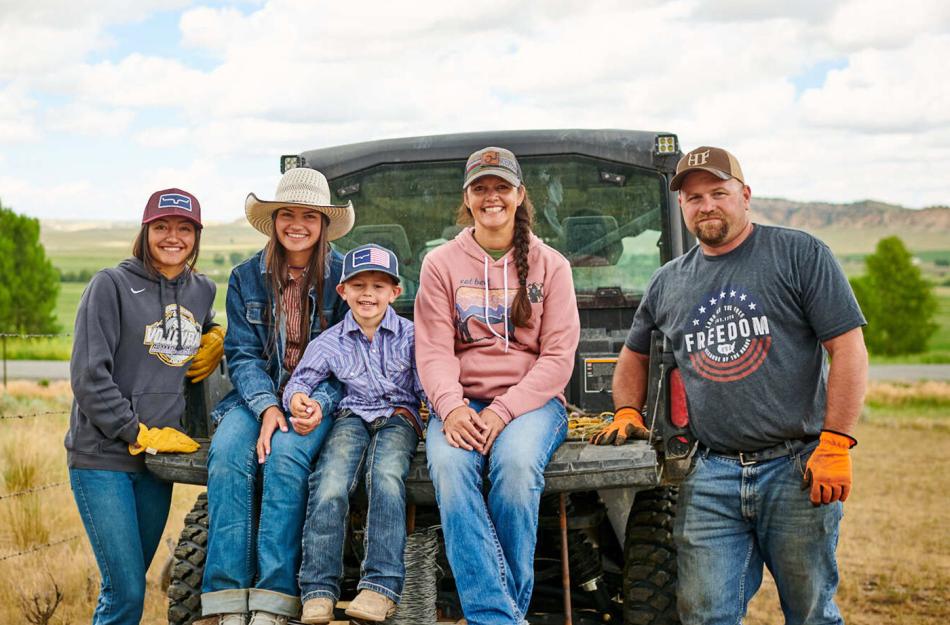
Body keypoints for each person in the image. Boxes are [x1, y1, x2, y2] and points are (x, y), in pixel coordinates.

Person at [593, 146, 868, 625]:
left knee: (810, 613)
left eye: (718, 193)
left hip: (796, 467)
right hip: (711, 474)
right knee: (702, 613)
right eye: (694, 197)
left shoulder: (799, 253)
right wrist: (627, 412)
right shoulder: (668, 282)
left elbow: (847, 349)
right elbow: (634, 354)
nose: (706, 206)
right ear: (682, 206)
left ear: (745, 195)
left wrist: (836, 442)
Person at [414, 147, 581, 625]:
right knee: (448, 467)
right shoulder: (440, 264)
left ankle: (497, 615)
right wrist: (451, 408)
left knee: (515, 466)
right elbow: (433, 350)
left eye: (501, 187)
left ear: (519, 194)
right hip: (461, 401)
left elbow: (557, 359)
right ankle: (500, 616)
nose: (492, 197)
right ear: (466, 198)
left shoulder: (552, 266)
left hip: (532, 404)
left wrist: (503, 412)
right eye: (481, 188)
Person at [201, 168, 354, 625]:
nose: (297, 224)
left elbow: (352, 356)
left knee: (286, 457)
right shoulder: (245, 276)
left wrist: (316, 402)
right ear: (273, 220)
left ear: (324, 223)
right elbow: (243, 355)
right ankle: (226, 600)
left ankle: (273, 599)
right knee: (229, 454)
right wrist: (268, 406)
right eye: (287, 213)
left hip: (318, 397)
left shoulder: (345, 276)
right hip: (256, 395)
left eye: (310, 215)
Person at [66, 188, 220, 625]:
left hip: (158, 465)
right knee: (126, 591)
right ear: (145, 231)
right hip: (104, 458)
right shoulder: (110, 285)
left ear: (197, 236)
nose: (173, 237)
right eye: (162, 227)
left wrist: (215, 335)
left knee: (136, 582)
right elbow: (88, 378)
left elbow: (196, 329)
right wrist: (138, 432)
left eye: (185, 228)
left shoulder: (201, 290)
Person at [280, 244, 425, 624]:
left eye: (379, 286)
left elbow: (428, 385)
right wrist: (297, 400)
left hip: (398, 416)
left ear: (396, 292)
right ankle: (318, 590)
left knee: (387, 476)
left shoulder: (412, 336)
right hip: (352, 416)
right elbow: (301, 380)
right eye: (358, 285)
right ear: (342, 291)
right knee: (329, 481)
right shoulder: (330, 341)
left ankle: (379, 586)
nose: (368, 294)